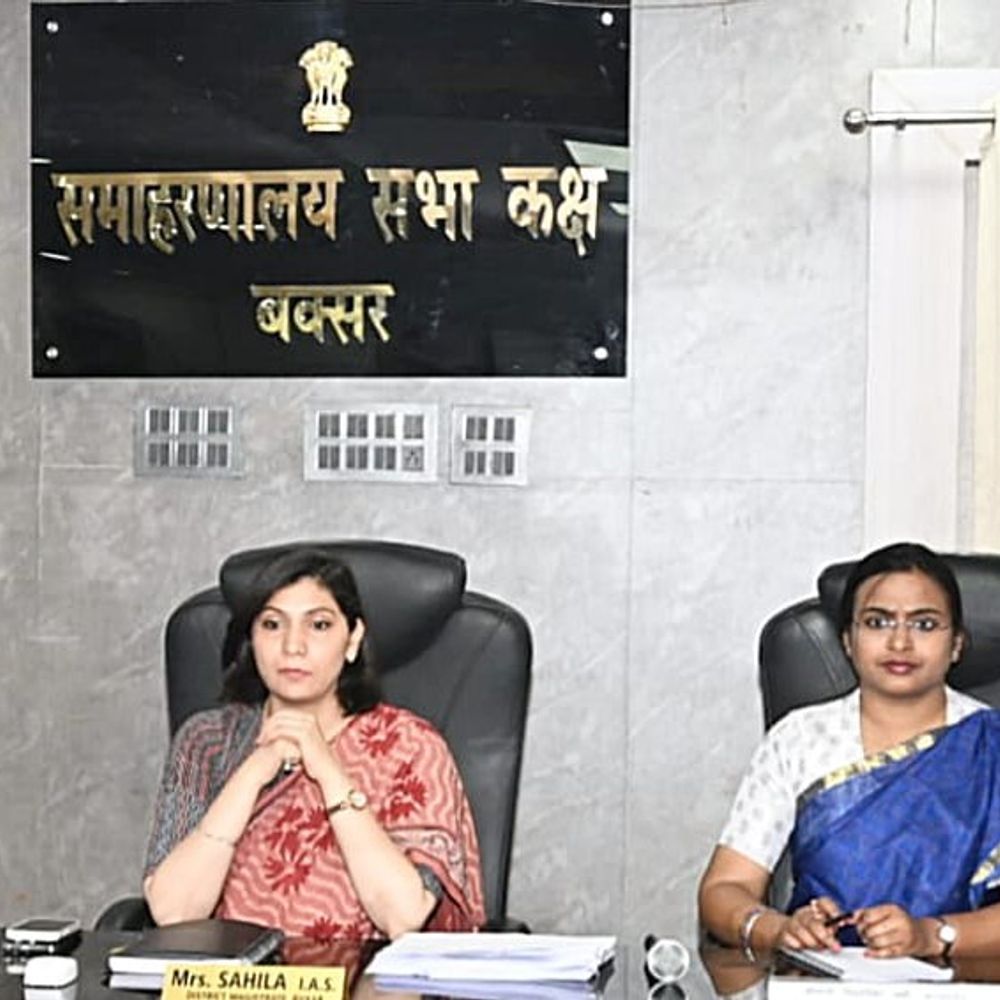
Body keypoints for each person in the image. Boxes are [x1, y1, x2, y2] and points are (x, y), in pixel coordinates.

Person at [143, 548, 485, 940]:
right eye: (272, 624)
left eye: (319, 625)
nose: (293, 646)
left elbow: (404, 916)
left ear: (352, 639)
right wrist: (252, 773)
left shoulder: (411, 746)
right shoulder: (207, 741)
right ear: (251, 639)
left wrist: (328, 772)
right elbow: (174, 911)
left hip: (364, 973)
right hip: (233, 972)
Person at [698, 542, 1000, 961]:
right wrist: (779, 930)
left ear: (957, 644)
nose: (899, 642)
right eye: (877, 622)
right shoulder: (800, 739)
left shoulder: (991, 745)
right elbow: (724, 889)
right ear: (848, 641)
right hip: (824, 976)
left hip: (969, 976)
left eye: (925, 624)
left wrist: (932, 935)